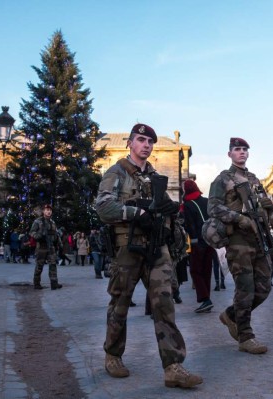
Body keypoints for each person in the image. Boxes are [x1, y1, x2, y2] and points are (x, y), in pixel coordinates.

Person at [95, 123, 202, 388]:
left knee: (164, 304)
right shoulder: (116, 172)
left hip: (156, 248)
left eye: (150, 141)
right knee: (120, 304)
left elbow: (164, 208)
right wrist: (135, 213)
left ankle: (173, 366)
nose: (146, 145)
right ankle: (113, 355)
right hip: (127, 250)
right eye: (141, 140)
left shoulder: (155, 177)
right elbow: (103, 207)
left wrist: (168, 214)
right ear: (129, 143)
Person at [208, 137, 273, 354]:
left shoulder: (254, 179)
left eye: (245, 149)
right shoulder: (222, 179)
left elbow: (263, 208)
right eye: (237, 149)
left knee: (263, 288)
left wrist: (267, 208)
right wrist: (238, 218)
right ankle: (245, 336)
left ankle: (231, 315)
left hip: (258, 238)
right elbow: (213, 208)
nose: (242, 152)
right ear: (230, 154)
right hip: (238, 240)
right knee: (245, 288)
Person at [182, 179, 215, 313]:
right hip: (210, 240)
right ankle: (207, 299)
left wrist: (193, 240)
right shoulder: (206, 201)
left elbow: (190, 224)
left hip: (198, 242)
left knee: (195, 270)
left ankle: (205, 299)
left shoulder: (188, 204)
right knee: (207, 270)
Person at [29, 204, 63, 290]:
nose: (49, 211)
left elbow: (56, 234)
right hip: (41, 247)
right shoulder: (38, 221)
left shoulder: (53, 222)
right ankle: (36, 283)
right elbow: (32, 232)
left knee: (53, 265)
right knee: (39, 266)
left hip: (51, 247)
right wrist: (38, 236)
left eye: (50, 210)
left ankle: (54, 283)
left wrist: (59, 243)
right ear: (43, 211)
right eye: (47, 210)